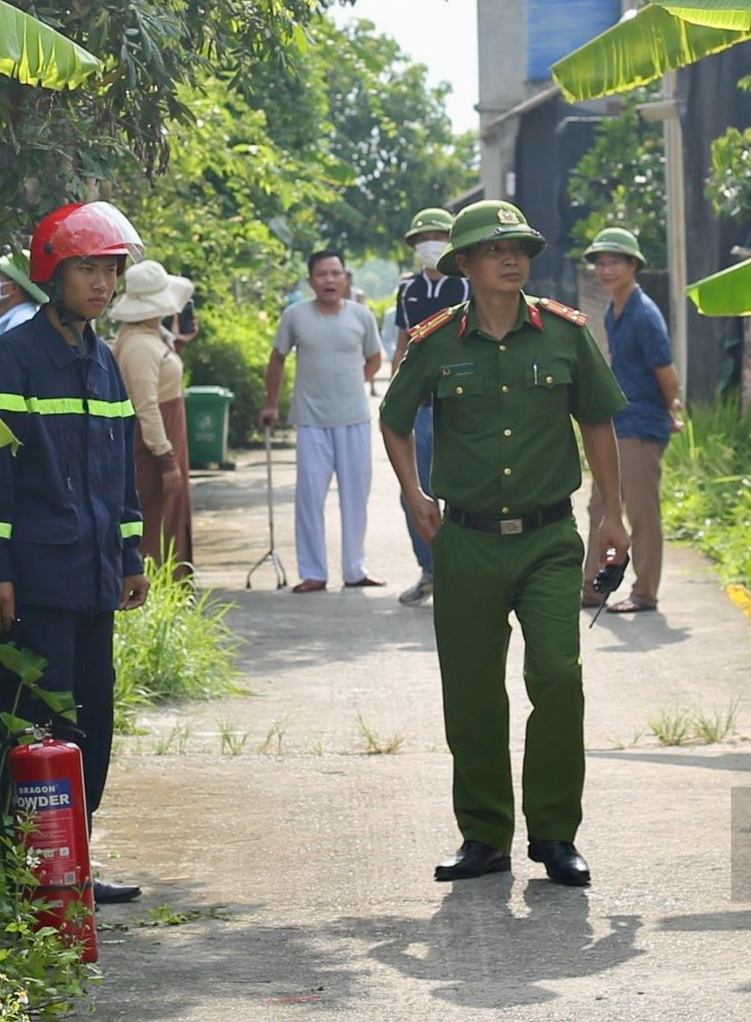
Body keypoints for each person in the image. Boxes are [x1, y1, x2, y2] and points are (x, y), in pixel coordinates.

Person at [378, 200, 630, 888]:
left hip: (550, 538)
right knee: (472, 692)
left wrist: (611, 513)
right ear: (464, 264)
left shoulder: (564, 333)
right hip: (467, 542)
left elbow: (600, 421)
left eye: (519, 246)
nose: (512, 258)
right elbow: (394, 419)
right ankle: (484, 834)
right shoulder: (436, 342)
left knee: (558, 676)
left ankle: (553, 833)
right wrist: (413, 491)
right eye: (495, 249)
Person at [0, 201, 152, 906]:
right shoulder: (10, 359)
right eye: (88, 268)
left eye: (111, 270)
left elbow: (122, 476)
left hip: (94, 580)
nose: (102, 283)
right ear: (53, 272)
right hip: (34, 584)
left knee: (90, 723)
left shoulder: (103, 363)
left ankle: (71, 861)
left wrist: (131, 557)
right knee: (33, 722)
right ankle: (20, 869)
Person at [262, 251, 385, 593]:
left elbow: (375, 359)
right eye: (322, 274)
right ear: (310, 281)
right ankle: (314, 572)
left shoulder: (361, 316)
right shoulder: (295, 316)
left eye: (336, 273)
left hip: (354, 419)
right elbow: (277, 359)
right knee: (309, 499)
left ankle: (355, 569)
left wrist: (351, 382)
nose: (329, 280)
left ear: (346, 278)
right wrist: (271, 404)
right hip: (311, 420)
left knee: (356, 497)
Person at [578, 227, 682, 615]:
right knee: (600, 508)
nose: (605, 270)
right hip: (616, 423)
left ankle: (644, 593)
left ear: (633, 265)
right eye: (601, 263)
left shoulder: (643, 314)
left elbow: (666, 374)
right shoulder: (613, 309)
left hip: (641, 427)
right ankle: (593, 587)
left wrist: (671, 409)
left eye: (614, 262)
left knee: (641, 513)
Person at [389, 207, 469, 606]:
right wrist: (394, 394)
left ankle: (462, 571)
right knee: (415, 491)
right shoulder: (407, 291)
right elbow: (403, 344)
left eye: (436, 236)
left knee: (461, 488)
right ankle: (430, 570)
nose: (428, 245)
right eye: (421, 239)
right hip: (419, 406)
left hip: (458, 404)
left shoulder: (466, 287)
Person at [111, 260, 196, 581]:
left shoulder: (149, 337)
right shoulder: (139, 346)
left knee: (169, 515)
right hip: (153, 445)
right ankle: (154, 587)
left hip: (166, 434)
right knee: (156, 519)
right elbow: (146, 406)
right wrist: (165, 458)